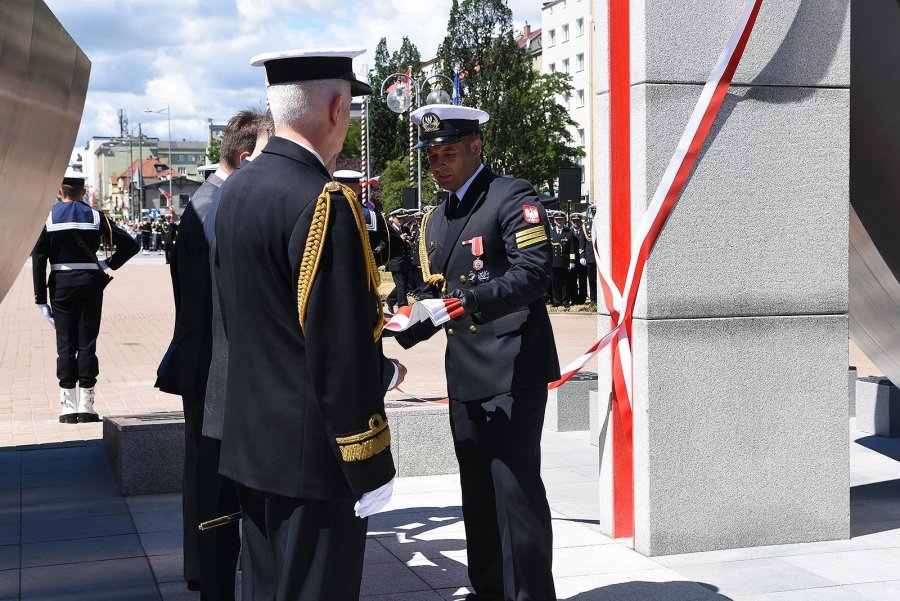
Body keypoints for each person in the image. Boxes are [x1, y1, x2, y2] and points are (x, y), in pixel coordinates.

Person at [214, 48, 403, 600]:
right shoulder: (324, 200)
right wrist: (368, 461)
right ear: (337, 107)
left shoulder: (237, 191)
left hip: (253, 445)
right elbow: (338, 350)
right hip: (315, 457)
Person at [396, 104, 560, 601]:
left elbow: (534, 273)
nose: (439, 165)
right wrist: (405, 325)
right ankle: (489, 590)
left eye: (448, 153)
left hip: (512, 367)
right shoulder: (438, 217)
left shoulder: (511, 195)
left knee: (515, 493)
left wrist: (464, 303)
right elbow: (439, 294)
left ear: (475, 147)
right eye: (432, 157)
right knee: (478, 497)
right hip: (465, 373)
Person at [156, 109, 270, 598]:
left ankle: (202, 566)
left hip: (201, 360)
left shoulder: (207, 200)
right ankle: (210, 570)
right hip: (214, 366)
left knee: (204, 477)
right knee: (215, 483)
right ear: (245, 158)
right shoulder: (219, 206)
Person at [32, 169, 139, 423]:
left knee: (65, 344)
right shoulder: (95, 216)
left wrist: (40, 299)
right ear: (83, 191)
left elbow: (39, 259)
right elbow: (131, 245)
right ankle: (87, 404)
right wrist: (105, 264)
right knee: (87, 341)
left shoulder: (48, 217)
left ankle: (67, 406)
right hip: (90, 284)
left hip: (61, 286)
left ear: (60, 191)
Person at [334, 169, 389, 267]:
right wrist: (371, 260)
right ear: (359, 190)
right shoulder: (372, 216)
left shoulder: (320, 211)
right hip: (362, 270)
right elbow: (385, 243)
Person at [385, 207, 413, 311]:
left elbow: (409, 242)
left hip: (405, 260)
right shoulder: (389, 229)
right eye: (399, 219)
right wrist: (400, 239)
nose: (401, 221)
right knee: (400, 285)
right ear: (393, 218)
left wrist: (410, 242)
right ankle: (403, 307)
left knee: (406, 285)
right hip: (395, 261)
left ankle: (391, 300)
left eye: (403, 219)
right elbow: (387, 244)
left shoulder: (405, 229)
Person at [549, 211, 574, 307]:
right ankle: (556, 300)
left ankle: (565, 301)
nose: (559, 221)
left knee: (565, 283)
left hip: (564, 261)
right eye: (557, 219)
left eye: (561, 219)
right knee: (554, 282)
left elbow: (572, 248)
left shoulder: (568, 232)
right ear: (554, 221)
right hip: (553, 262)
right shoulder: (550, 232)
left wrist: (572, 261)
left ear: (565, 221)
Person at [569, 212, 588, 305]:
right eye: (574, 221)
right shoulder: (569, 231)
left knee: (583, 281)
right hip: (573, 260)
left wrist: (583, 256)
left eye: (578, 221)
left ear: (581, 221)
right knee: (572, 281)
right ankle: (574, 299)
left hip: (583, 260)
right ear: (571, 222)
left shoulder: (585, 231)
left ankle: (582, 299)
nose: (576, 223)